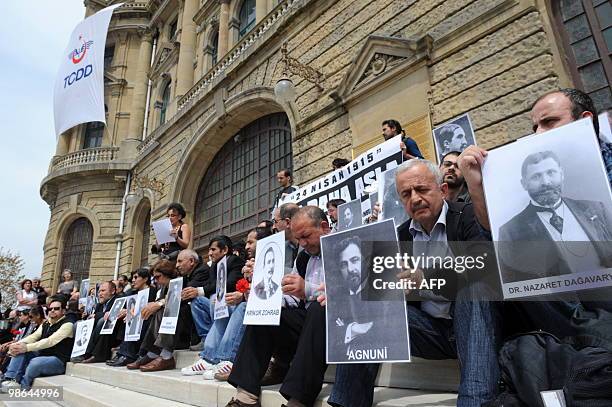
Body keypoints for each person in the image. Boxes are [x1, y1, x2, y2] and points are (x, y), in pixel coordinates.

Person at [327, 159, 502, 407]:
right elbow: (379, 288)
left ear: (442, 190)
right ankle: (348, 402)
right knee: (370, 305)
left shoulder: (467, 216)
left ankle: (476, 402)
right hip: (430, 331)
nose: (415, 199)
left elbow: (483, 266)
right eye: (406, 194)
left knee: (474, 288)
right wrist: (340, 291)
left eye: (421, 189)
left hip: (477, 326)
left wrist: (424, 277)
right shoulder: (397, 236)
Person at [225, 206, 331, 407]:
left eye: (306, 236)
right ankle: (245, 395)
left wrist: (308, 289)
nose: (303, 243)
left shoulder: (345, 246)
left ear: (324, 227)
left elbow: (350, 291)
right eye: (298, 238)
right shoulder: (304, 257)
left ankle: (298, 400)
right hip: (306, 324)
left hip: (333, 324)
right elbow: (295, 299)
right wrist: (261, 295)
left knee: (319, 308)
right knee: (265, 314)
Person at [497, 151, 612, 282]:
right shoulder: (510, 232)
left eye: (551, 173)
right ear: (524, 184)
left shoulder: (596, 209)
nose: (545, 182)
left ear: (561, 174)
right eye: (536, 177)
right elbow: (515, 286)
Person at [181, 234, 250, 381]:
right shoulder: (214, 267)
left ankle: (223, 358)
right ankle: (208, 355)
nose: (210, 253)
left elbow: (230, 283)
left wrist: (203, 291)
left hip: (233, 302)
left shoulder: (234, 261)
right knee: (201, 301)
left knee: (217, 301)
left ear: (225, 250)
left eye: (213, 249)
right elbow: (212, 287)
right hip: (218, 305)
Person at [0, 297, 74, 392]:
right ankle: (10, 379)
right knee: (18, 350)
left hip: (58, 360)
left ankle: (23, 387)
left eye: (56, 308)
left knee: (35, 362)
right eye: (50, 309)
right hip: (42, 355)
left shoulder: (68, 325)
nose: (52, 311)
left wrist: (26, 347)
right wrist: (17, 344)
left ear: (63, 310)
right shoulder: (46, 323)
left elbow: (50, 341)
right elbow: (33, 336)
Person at [127, 260, 180, 372]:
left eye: (158, 277)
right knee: (153, 311)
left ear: (167, 273)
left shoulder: (179, 281)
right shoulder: (162, 288)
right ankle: (152, 352)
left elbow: (179, 298)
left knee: (162, 310)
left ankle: (166, 356)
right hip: (169, 325)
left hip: (182, 323)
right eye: (154, 278)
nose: (156, 280)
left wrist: (159, 303)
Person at [107, 268, 157, 367]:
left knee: (133, 320)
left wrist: (131, 312)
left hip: (146, 318)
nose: (133, 280)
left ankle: (127, 355)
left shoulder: (152, 291)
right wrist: (125, 311)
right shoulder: (132, 292)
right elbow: (127, 306)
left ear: (145, 278)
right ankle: (122, 353)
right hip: (134, 318)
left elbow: (148, 308)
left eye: (136, 277)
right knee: (126, 318)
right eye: (132, 278)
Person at [74, 281, 118, 363]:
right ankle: (77, 351)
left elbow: (113, 314)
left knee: (102, 321)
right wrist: (87, 316)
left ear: (112, 291)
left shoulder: (118, 300)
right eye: (99, 291)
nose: (100, 294)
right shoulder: (99, 305)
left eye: (103, 291)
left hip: (112, 334)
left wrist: (96, 316)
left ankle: (86, 353)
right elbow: (94, 316)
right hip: (97, 332)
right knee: (77, 324)